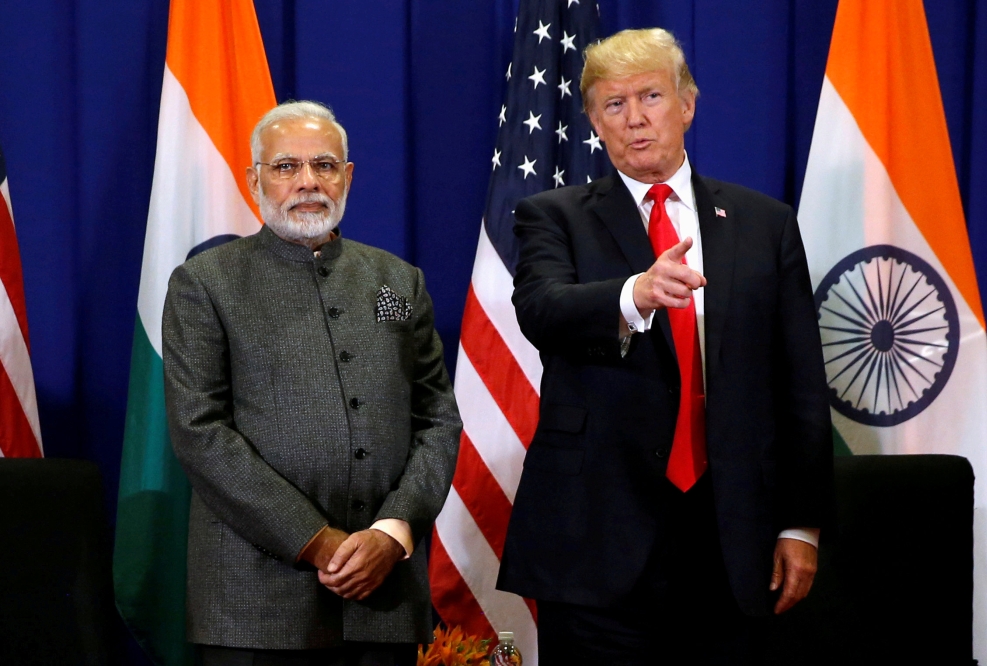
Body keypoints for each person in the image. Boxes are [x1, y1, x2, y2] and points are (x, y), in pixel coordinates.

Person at [496, 28, 834, 664]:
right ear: (594, 121)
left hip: (734, 536)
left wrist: (800, 523)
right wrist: (635, 294)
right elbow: (542, 310)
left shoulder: (765, 223)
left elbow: (800, 384)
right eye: (614, 105)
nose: (635, 118)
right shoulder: (552, 215)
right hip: (597, 537)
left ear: (688, 104)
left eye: (650, 95)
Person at [162, 100, 462, 666]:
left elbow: (438, 419)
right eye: (285, 167)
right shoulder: (205, 284)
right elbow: (200, 432)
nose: (308, 182)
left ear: (347, 176)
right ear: (255, 179)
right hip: (253, 604)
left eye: (324, 165)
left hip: (384, 594)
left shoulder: (398, 280)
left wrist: (392, 533)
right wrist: (318, 542)